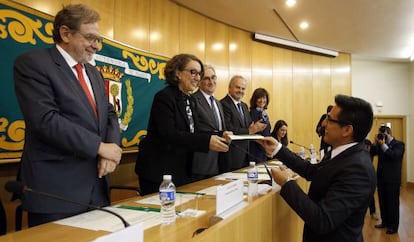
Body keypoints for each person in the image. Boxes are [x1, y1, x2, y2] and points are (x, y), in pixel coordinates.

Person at [13, 4, 122, 227]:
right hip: (56, 190)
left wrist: (111, 149)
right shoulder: (33, 64)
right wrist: (99, 147)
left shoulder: (93, 72)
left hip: (96, 187)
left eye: (98, 39)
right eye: (90, 38)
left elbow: (110, 113)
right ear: (65, 33)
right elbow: (45, 120)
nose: (96, 46)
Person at [258, 94, 376, 242]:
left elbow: (323, 220)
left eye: (330, 119)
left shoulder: (358, 170)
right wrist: (278, 149)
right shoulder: (341, 153)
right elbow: (312, 171)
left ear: (347, 130)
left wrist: (287, 183)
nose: (324, 124)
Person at [135, 54, 229, 195]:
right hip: (159, 171)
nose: (198, 78)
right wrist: (207, 141)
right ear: (178, 73)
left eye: (199, 74)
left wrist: (220, 135)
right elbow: (169, 134)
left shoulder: (190, 100)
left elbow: (195, 132)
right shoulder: (164, 97)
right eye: (193, 72)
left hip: (181, 169)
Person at [192, 65, 230, 180]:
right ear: (199, 82)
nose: (211, 81)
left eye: (213, 78)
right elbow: (195, 131)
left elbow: (219, 129)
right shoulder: (193, 100)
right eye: (207, 78)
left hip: (219, 161)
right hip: (201, 162)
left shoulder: (218, 103)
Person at [220, 75, 266, 170]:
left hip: (246, 155)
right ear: (229, 87)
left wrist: (255, 130)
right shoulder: (223, 104)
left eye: (243, 88)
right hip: (231, 156)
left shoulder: (244, 106)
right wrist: (250, 131)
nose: (240, 91)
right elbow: (229, 129)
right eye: (238, 87)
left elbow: (250, 126)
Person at [371, 125, 405, 234]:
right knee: (382, 201)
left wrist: (383, 145)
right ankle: (384, 222)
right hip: (381, 178)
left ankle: (393, 227)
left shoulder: (399, 144)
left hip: (392, 179)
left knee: (392, 203)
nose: (382, 136)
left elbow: (394, 155)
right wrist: (376, 143)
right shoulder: (381, 144)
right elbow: (372, 153)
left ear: (388, 133)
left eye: (383, 134)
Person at [248, 88, 271, 163]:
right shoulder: (253, 113)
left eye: (264, 98)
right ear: (255, 99)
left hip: (264, 149)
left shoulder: (264, 113)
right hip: (256, 150)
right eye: (259, 98)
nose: (262, 100)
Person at [363, 139, 378, 220]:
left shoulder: (371, 151)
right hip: (360, 175)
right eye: (365, 147)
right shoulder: (360, 152)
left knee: (370, 195)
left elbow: (376, 151)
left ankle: (373, 212)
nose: (367, 148)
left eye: (368, 147)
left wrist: (376, 143)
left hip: (369, 175)